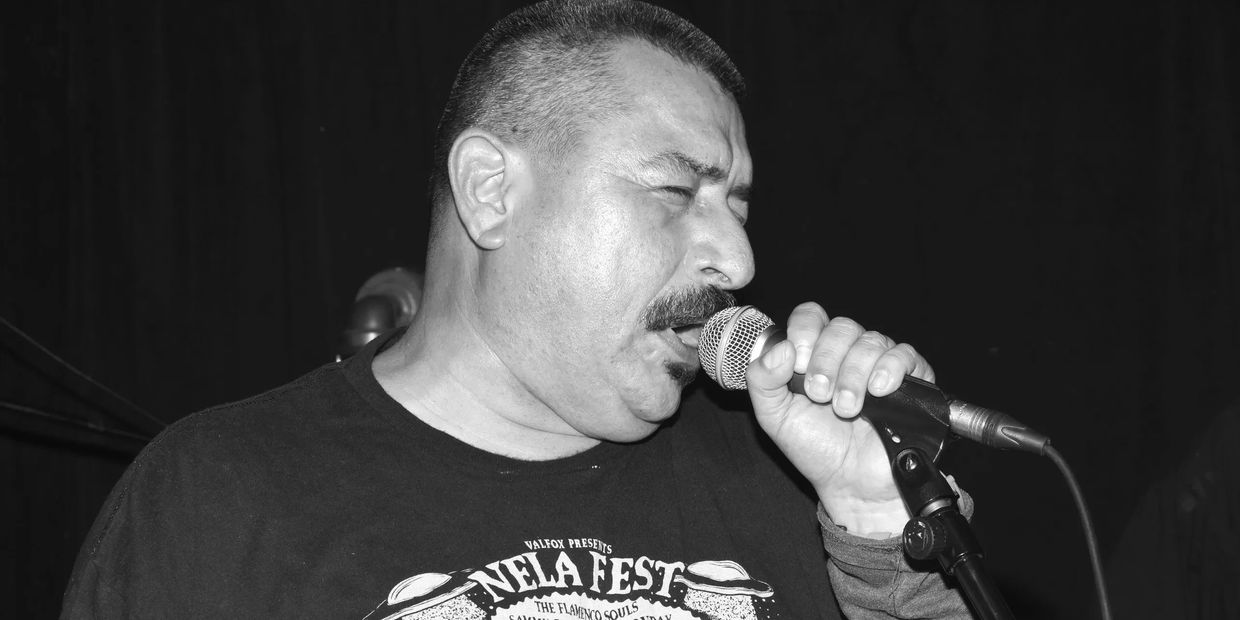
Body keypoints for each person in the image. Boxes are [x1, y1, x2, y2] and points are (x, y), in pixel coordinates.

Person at [61, 1, 972, 618]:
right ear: (491, 191)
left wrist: (879, 528)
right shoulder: (220, 496)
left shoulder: (789, 484)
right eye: (674, 190)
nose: (738, 259)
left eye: (736, 204)